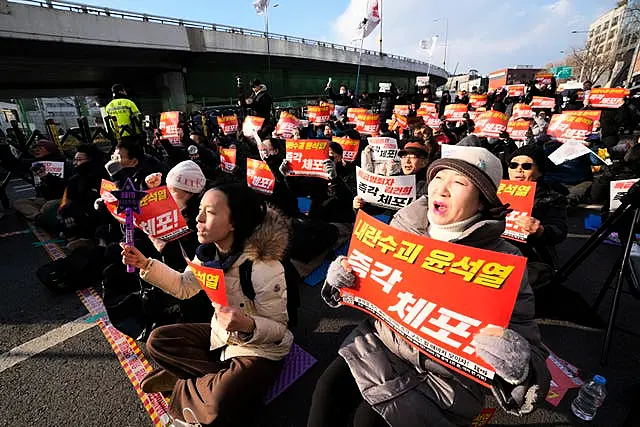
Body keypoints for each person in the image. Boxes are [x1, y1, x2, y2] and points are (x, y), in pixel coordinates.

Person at [309, 146, 550, 426]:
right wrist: (342, 280)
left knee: (369, 420)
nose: (442, 190)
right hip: (382, 343)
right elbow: (369, 287)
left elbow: (532, 353)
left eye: (459, 183)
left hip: (444, 377)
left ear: (483, 201)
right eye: (438, 178)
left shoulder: (504, 260)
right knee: (326, 393)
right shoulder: (402, 225)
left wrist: (517, 364)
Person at [121, 184, 292, 427]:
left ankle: (185, 381)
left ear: (234, 222)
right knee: (158, 341)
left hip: (258, 349)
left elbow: (279, 329)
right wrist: (146, 264)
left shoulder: (265, 268)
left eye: (209, 213)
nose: (198, 218)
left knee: (219, 406)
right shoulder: (208, 254)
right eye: (200, 210)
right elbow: (184, 286)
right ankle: (213, 379)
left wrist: (248, 324)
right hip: (221, 337)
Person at [507, 144, 568, 283]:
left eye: (527, 166)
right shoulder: (494, 192)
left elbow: (559, 231)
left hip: (531, 257)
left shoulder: (552, 198)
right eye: (513, 165)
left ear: (539, 171)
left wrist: (540, 230)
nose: (519, 170)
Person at [13, 139, 67, 226]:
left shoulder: (64, 163)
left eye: (40, 148)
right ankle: (39, 217)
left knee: (48, 205)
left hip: (61, 198)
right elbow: (16, 164)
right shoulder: (34, 163)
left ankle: (45, 216)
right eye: (35, 149)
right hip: (44, 199)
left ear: (50, 149)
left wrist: (46, 177)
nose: (36, 151)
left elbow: (64, 185)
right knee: (18, 203)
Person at [58, 144, 106, 241]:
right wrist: (66, 214)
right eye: (75, 159)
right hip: (79, 216)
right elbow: (65, 202)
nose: (75, 163)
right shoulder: (74, 179)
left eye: (79, 160)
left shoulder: (104, 177)